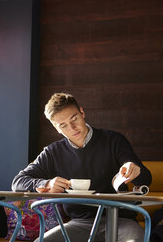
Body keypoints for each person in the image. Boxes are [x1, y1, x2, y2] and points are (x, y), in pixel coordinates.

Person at [11, 92, 152, 242]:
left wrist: (135, 170)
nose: (72, 128)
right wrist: (46, 183)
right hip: (79, 224)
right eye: (63, 125)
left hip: (120, 221)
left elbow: (146, 180)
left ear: (82, 113)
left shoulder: (114, 140)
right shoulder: (52, 152)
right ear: (56, 128)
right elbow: (18, 182)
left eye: (74, 119)